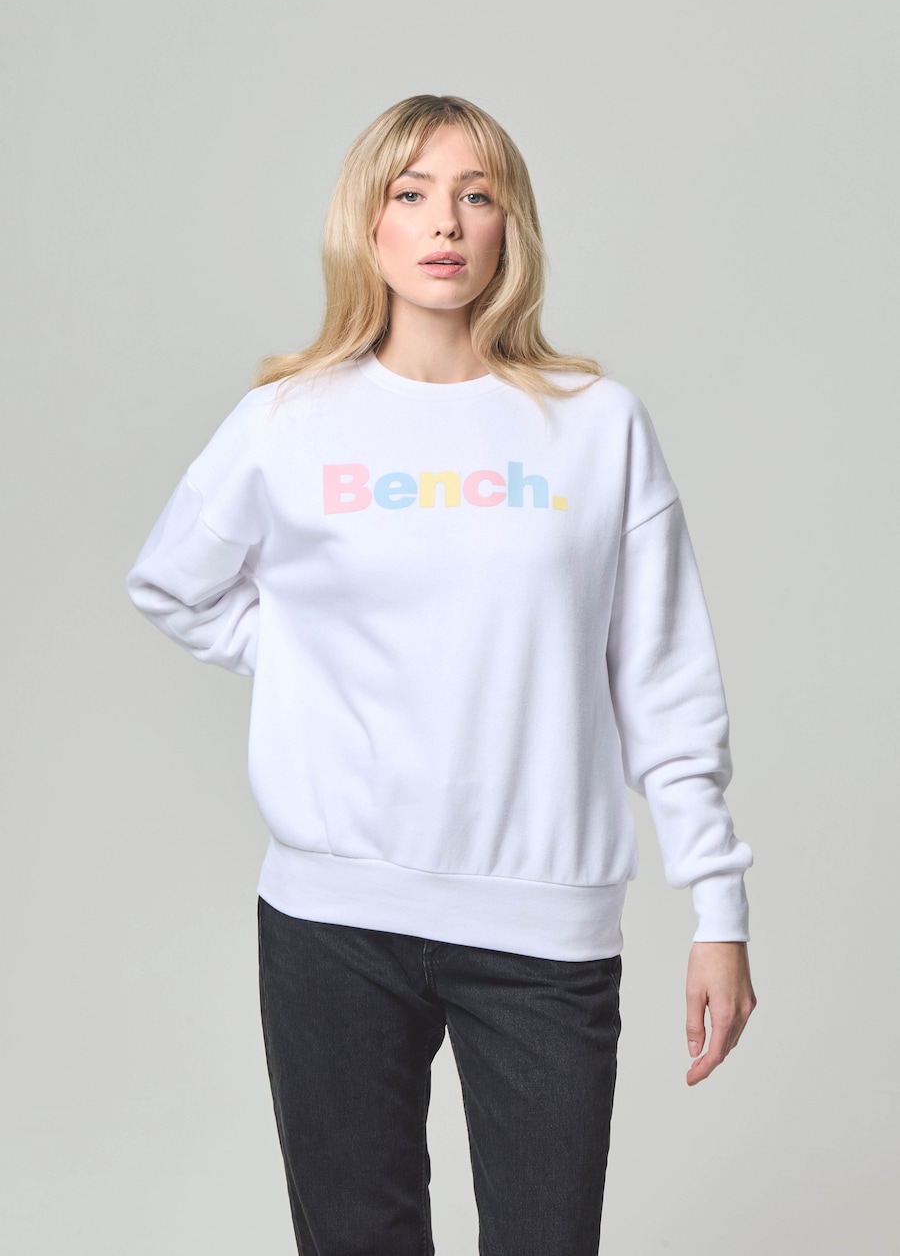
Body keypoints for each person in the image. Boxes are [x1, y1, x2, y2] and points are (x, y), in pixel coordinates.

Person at [127, 93, 756, 1255]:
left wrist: (718, 907)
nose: (446, 224)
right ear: (365, 222)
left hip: (544, 925)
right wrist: (303, 661)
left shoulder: (597, 426)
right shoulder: (287, 422)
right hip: (331, 921)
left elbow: (663, 682)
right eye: (411, 194)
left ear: (511, 224)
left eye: (477, 195)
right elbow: (173, 583)